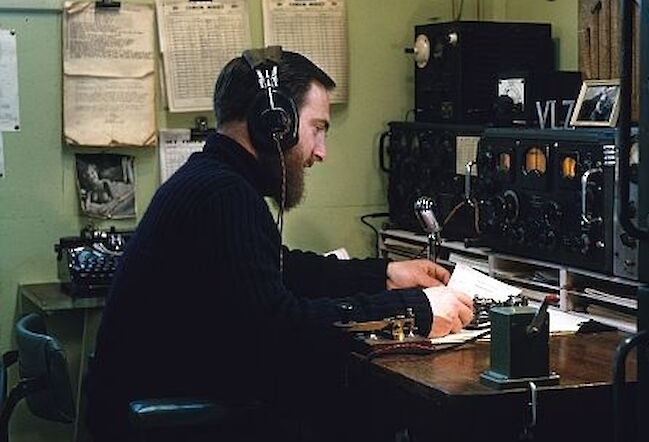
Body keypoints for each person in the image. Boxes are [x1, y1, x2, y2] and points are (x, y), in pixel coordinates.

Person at [86, 47, 473, 442]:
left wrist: (386, 274)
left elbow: (276, 268)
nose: (320, 152)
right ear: (277, 123)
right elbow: (278, 327)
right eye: (317, 128)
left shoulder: (210, 180)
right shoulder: (224, 195)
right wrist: (414, 310)